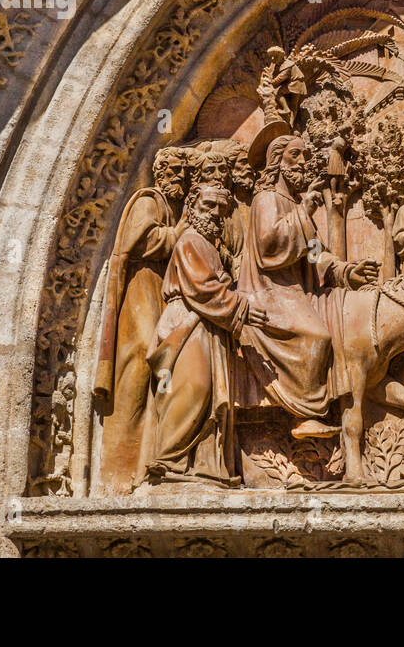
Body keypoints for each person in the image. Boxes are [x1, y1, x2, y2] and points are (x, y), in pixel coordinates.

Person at [235, 135, 378, 439]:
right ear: (277, 161)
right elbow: (268, 247)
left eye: (305, 155)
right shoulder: (265, 199)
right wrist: (305, 212)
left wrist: (347, 272)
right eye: (295, 155)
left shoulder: (296, 204)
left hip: (297, 292)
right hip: (268, 292)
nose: (303, 162)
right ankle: (307, 414)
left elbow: (315, 255)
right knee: (318, 335)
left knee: (346, 321)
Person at [145, 182, 268, 484]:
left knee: (213, 395)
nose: (214, 213)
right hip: (188, 324)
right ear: (191, 208)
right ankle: (170, 461)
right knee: (193, 387)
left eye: (221, 209)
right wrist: (240, 307)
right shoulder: (189, 241)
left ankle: (205, 465)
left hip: (211, 325)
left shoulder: (211, 246)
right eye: (207, 206)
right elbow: (202, 288)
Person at [94, 147, 188, 494]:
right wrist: (178, 232)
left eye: (183, 172)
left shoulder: (172, 209)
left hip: (159, 291)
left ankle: (149, 457)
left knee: (163, 367)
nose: (179, 178)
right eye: (173, 172)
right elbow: (144, 241)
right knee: (139, 365)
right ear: (161, 173)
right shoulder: (148, 201)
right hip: (140, 291)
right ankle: (120, 468)